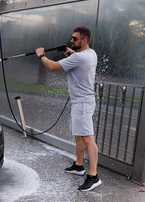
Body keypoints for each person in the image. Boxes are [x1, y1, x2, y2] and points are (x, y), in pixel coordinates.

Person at [35, 26, 101, 191]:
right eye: (72, 38)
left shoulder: (79, 58)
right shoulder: (90, 53)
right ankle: (79, 166)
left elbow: (53, 66)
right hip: (81, 101)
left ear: (84, 40)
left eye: (75, 39)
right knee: (79, 136)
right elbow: (77, 58)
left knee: (87, 138)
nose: (71, 41)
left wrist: (41, 55)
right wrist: (69, 52)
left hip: (83, 103)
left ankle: (93, 176)